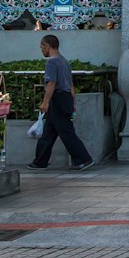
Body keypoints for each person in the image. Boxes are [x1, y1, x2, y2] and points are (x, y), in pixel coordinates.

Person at [31, 34, 94, 171]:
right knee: (49, 131)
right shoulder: (64, 61)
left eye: (42, 46)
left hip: (57, 98)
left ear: (47, 46)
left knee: (66, 131)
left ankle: (83, 158)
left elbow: (52, 83)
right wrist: (72, 101)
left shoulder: (51, 62)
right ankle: (40, 161)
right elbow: (70, 84)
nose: (41, 50)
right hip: (65, 98)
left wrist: (45, 102)